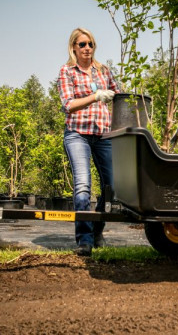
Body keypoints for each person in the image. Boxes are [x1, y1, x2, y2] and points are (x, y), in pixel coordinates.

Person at [57, 28, 120, 256]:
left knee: (111, 187)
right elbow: (68, 104)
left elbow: (118, 96)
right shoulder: (67, 71)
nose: (87, 48)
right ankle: (84, 241)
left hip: (103, 135)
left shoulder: (103, 71)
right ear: (74, 47)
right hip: (77, 134)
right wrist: (95, 96)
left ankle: (96, 231)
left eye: (90, 44)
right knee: (83, 186)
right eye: (82, 44)